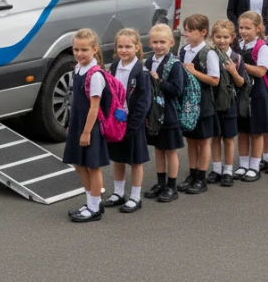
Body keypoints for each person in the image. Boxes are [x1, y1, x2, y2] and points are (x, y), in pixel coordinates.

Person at [62, 29, 110, 222]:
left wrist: (86, 132)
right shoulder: (78, 69)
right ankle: (91, 201)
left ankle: (94, 207)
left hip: (90, 126)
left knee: (92, 165)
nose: (79, 53)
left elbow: (94, 107)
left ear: (94, 49)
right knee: (78, 162)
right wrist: (71, 124)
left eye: (84, 49)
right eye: (76, 49)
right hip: (78, 124)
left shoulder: (95, 75)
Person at [104, 29, 151, 214]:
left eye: (128, 46)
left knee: (136, 161)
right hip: (117, 121)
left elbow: (143, 102)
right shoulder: (114, 66)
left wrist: (132, 125)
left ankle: (135, 196)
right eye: (120, 46)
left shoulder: (142, 71)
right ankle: (118, 193)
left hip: (133, 123)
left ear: (137, 47)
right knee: (118, 158)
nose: (124, 50)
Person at [177, 14, 219, 195]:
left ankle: (201, 177)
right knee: (191, 140)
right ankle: (192, 173)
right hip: (188, 101)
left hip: (203, 102)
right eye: (185, 30)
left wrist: (194, 72)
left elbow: (214, 80)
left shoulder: (208, 53)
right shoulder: (185, 50)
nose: (186, 34)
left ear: (203, 32)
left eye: (190, 30)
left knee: (203, 141)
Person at [144, 24, 184, 203]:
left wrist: (158, 81)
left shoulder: (174, 65)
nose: (158, 45)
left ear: (171, 42)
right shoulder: (148, 62)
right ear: (149, 43)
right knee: (159, 149)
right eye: (155, 42)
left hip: (169, 113)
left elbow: (177, 90)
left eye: (162, 42)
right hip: (154, 113)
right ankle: (160, 182)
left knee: (170, 150)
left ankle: (172, 185)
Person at [235, 12, 268, 182]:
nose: (243, 31)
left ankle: (255, 165)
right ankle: (243, 164)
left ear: (258, 28)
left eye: (247, 28)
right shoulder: (239, 44)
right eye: (241, 28)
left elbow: (261, 71)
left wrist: (240, 64)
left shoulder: (262, 47)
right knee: (243, 130)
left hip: (258, 93)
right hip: (241, 91)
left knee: (256, 131)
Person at [209, 19, 245, 188]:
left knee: (228, 138)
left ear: (232, 38)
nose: (221, 40)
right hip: (212, 102)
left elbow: (241, 83)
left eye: (225, 37)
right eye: (218, 37)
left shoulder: (236, 58)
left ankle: (228, 170)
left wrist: (233, 72)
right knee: (215, 137)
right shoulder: (209, 55)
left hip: (230, 102)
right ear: (212, 37)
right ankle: (216, 168)